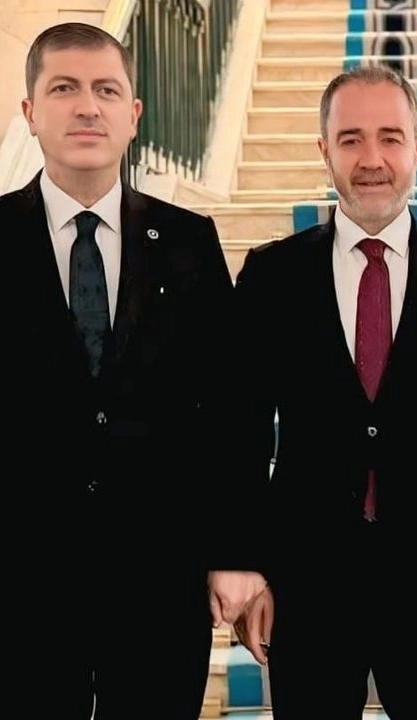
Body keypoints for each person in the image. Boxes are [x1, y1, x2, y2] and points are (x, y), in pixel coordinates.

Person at [229, 64, 417, 719]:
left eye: (391, 138)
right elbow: (240, 432)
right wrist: (247, 563)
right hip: (305, 582)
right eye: (351, 139)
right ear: (324, 150)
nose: (371, 159)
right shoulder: (272, 274)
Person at [3, 21, 266, 720]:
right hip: (20, 585)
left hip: (159, 581)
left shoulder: (188, 242)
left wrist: (236, 550)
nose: (87, 107)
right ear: (30, 111)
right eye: (64, 89)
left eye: (106, 90)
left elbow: (234, 409)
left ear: (134, 114)